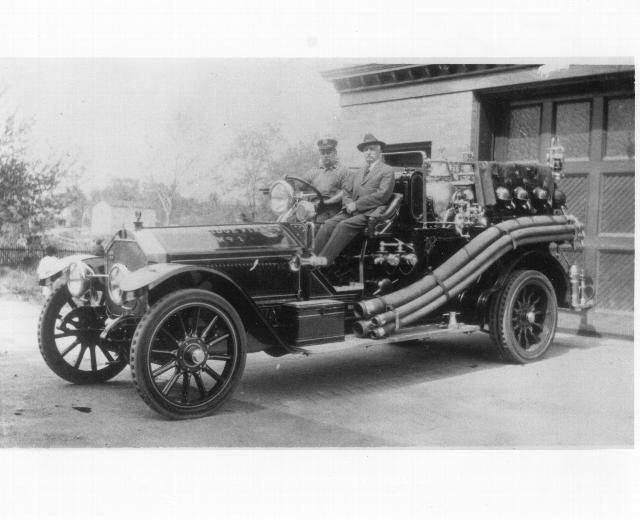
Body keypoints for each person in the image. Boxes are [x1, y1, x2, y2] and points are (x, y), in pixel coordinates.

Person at [314, 133, 395, 264]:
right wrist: (349, 202)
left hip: (369, 213)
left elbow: (382, 196)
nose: (368, 152)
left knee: (343, 225)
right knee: (328, 225)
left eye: (372, 149)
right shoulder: (359, 172)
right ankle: (309, 259)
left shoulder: (387, 171)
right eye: (365, 150)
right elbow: (346, 191)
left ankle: (322, 263)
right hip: (351, 211)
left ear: (379, 150)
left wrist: (356, 205)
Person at [301, 137, 350, 223]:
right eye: (323, 153)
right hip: (311, 208)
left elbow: (346, 192)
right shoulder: (314, 171)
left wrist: (327, 202)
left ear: (335, 153)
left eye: (328, 152)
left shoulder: (343, 171)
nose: (325, 155)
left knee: (317, 224)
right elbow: (300, 184)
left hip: (330, 210)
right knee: (288, 222)